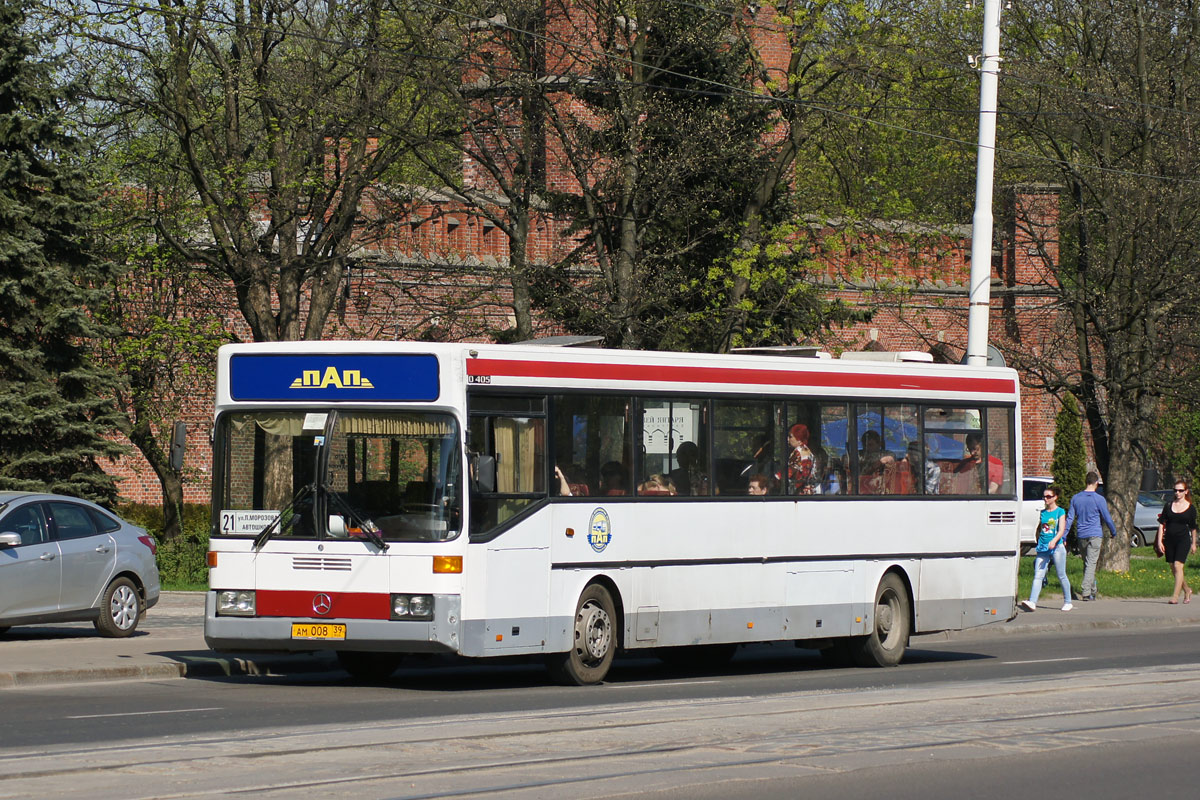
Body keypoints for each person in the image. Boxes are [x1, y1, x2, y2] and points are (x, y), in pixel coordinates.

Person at [1064, 470, 1116, 601]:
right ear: (1096, 483)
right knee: (1091, 564)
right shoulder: (1099, 499)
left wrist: (1064, 534)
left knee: (1088, 563)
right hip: (1095, 535)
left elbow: (1070, 518)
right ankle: (1086, 591)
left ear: (1086, 482)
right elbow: (1107, 517)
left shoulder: (1076, 498)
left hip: (1081, 534)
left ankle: (1093, 590)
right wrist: (1113, 531)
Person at [1019, 484, 1072, 612]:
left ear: (1055, 497)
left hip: (1057, 547)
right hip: (1043, 547)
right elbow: (1041, 529)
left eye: (1049, 496)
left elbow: (1061, 530)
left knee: (1061, 574)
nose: (1046, 499)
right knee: (1038, 575)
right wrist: (1039, 542)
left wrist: (1054, 541)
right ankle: (1032, 601)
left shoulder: (1060, 512)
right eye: (1044, 496)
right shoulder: (1042, 513)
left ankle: (1068, 601)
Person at [1155, 479, 1196, 604]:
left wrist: (1194, 543)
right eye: (1175, 490)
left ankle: (1175, 596)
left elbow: (1193, 528)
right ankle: (1187, 590)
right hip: (1169, 540)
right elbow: (1162, 524)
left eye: (1180, 490)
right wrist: (1159, 542)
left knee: (1178, 566)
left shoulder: (1190, 508)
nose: (1177, 493)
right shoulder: (1168, 505)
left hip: (1183, 540)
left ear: (1186, 492)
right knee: (1173, 568)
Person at [855, 429, 896, 494]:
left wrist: (880, 462)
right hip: (860, 486)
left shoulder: (884, 454)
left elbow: (891, 458)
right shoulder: (859, 455)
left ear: (878, 444)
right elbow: (847, 458)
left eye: (870, 445)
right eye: (864, 445)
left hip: (879, 487)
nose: (867, 448)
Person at [787, 424, 818, 495]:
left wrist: (776, 479)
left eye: (790, 437)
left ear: (799, 440)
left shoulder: (798, 453)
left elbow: (790, 471)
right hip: (809, 491)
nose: (788, 439)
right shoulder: (807, 451)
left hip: (800, 493)